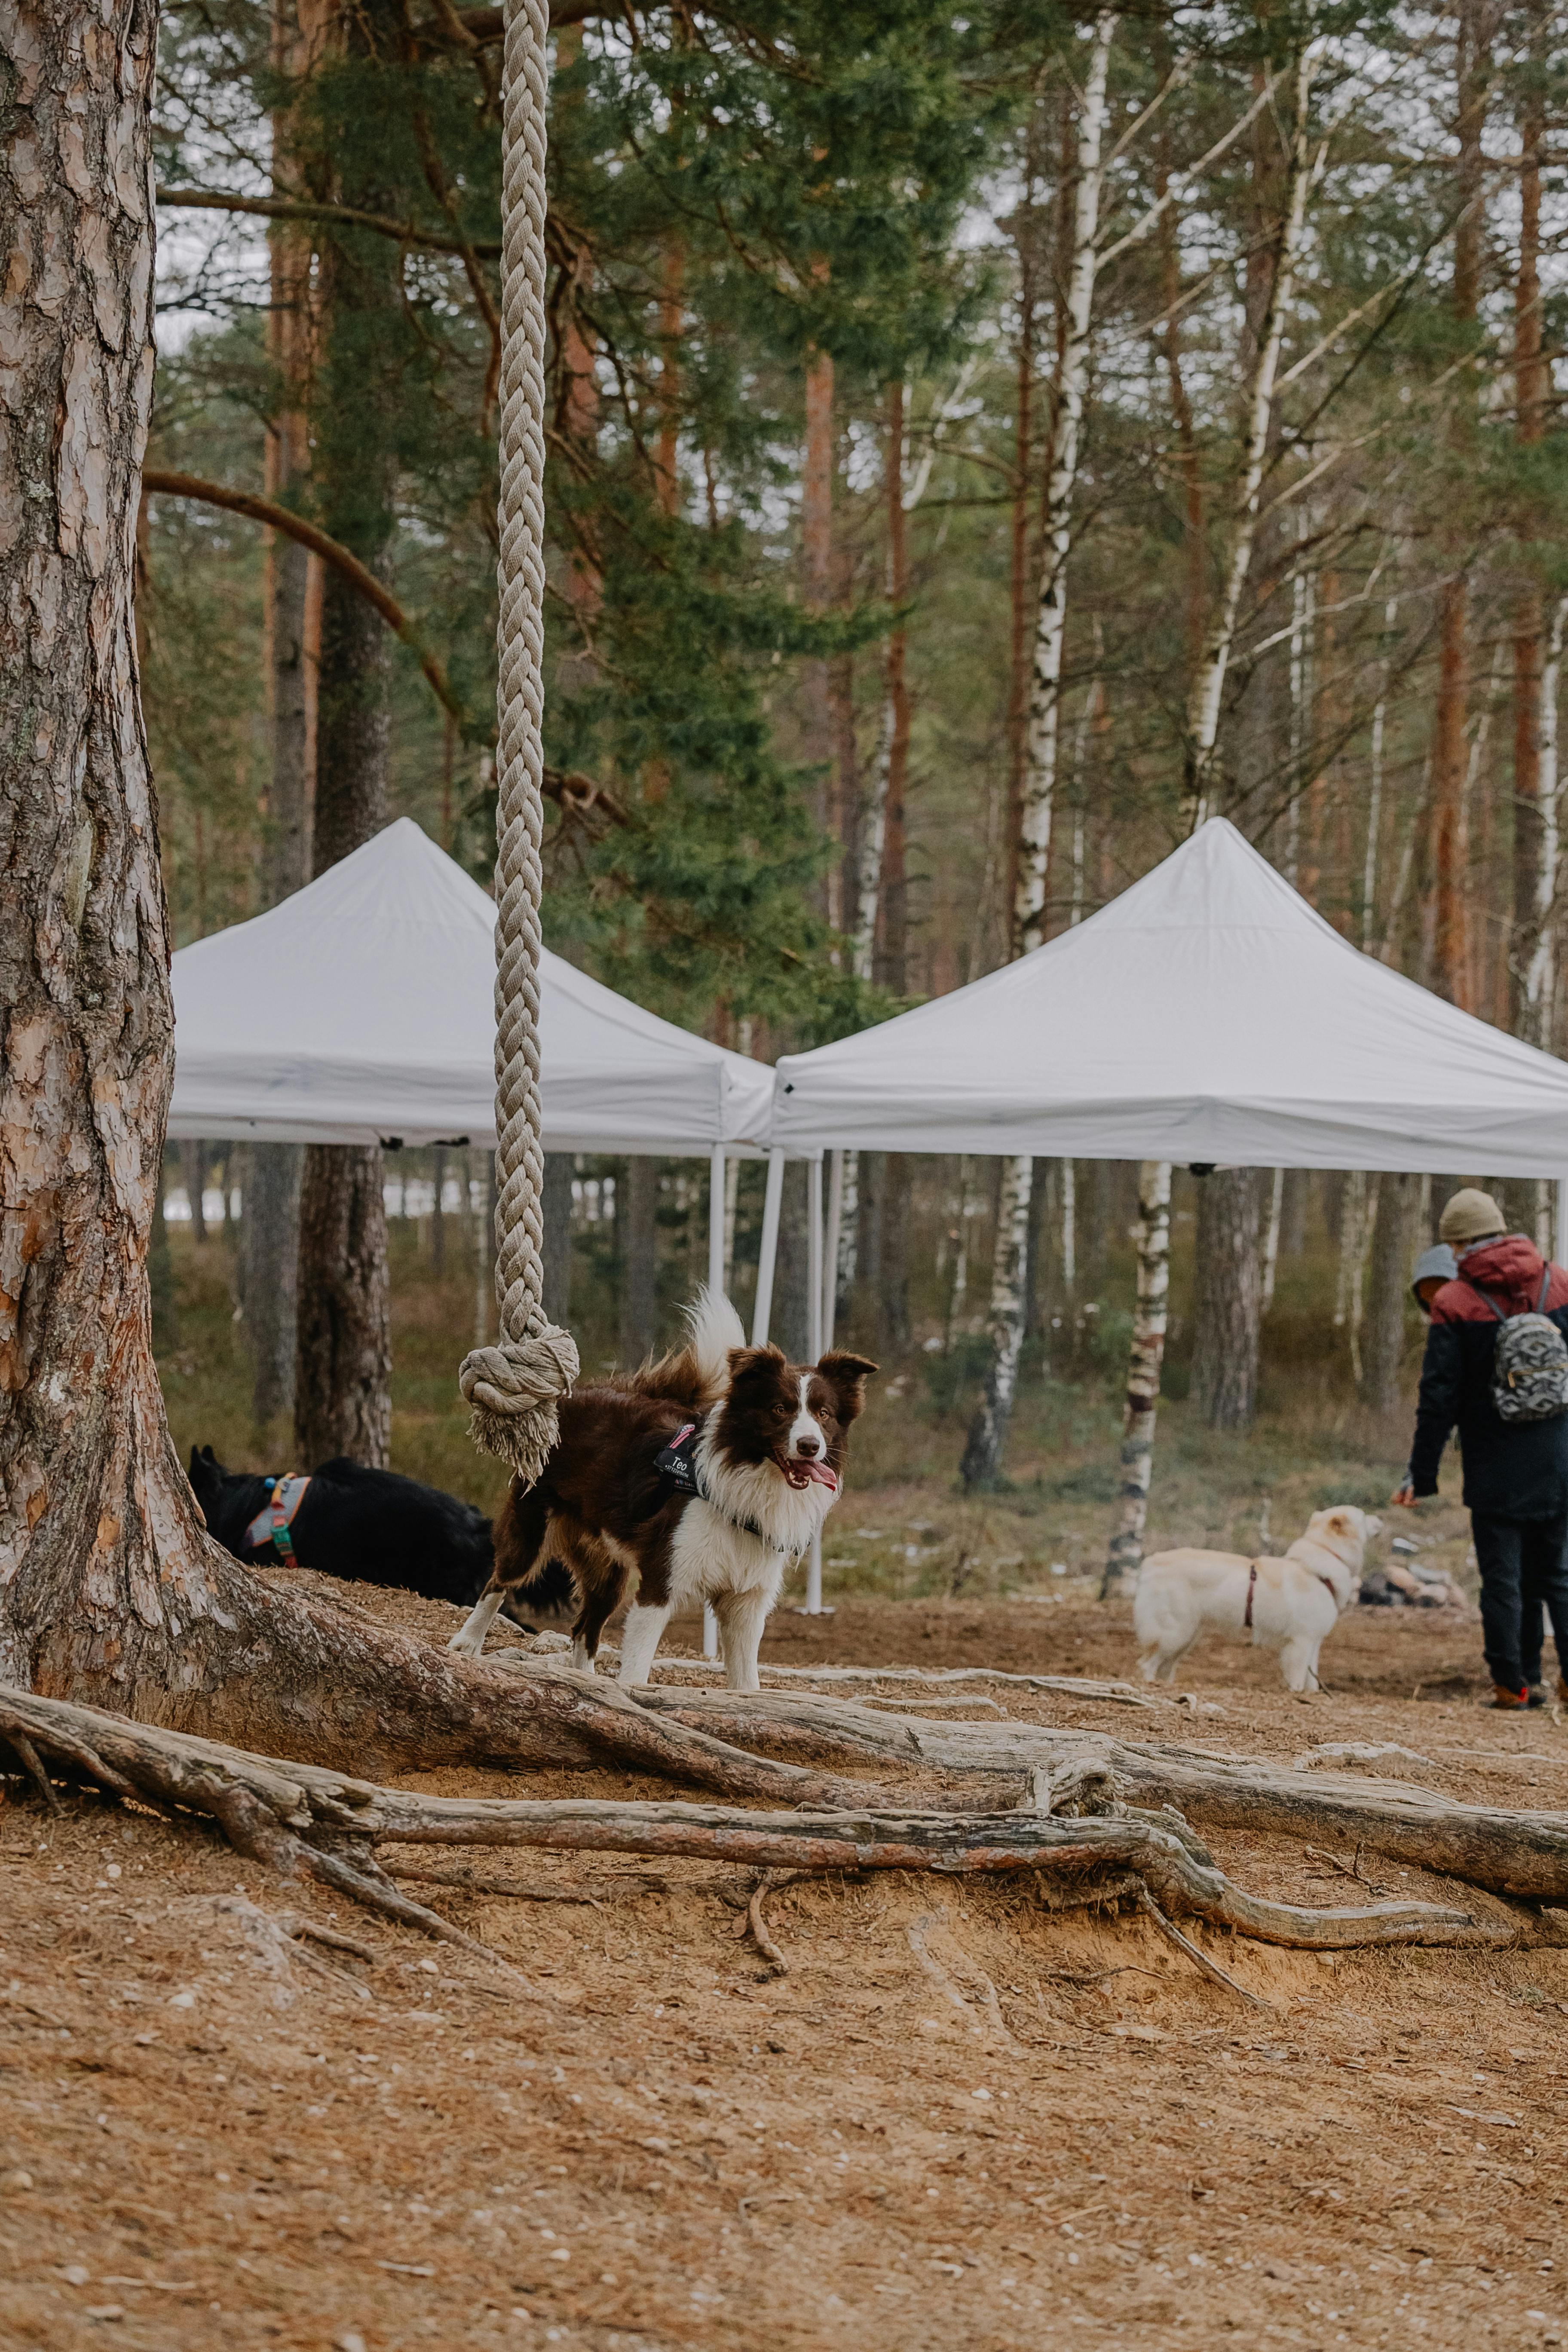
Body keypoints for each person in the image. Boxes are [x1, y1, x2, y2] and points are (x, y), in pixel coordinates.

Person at [1392, 1189, 1568, 1710]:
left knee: (1502, 1580)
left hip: (1494, 1463)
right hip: (1558, 1456)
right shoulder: (1558, 1282)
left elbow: (1438, 1397)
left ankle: (1513, 1686)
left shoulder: (1455, 1301)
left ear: (1459, 1243)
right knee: (1557, 1576)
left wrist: (1422, 1473)